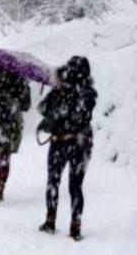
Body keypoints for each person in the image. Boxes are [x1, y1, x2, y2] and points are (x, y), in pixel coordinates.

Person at [37, 56, 97, 241]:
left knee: (53, 181)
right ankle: (75, 226)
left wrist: (58, 93)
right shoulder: (88, 93)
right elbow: (83, 115)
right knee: (76, 186)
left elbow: (42, 108)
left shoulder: (60, 90)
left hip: (59, 142)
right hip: (81, 142)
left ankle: (50, 220)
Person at [0, 68, 31, 204]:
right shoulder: (21, 82)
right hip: (12, 125)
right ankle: (1, 184)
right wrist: (24, 89)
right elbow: (26, 106)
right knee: (5, 156)